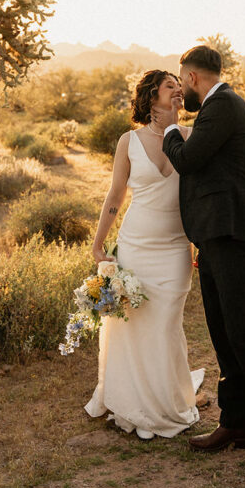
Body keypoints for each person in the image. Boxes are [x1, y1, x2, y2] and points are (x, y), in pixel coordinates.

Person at [151, 45, 245, 480]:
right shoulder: (216, 109)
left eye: (181, 82)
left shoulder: (224, 105)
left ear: (192, 78)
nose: (182, 95)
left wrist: (171, 128)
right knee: (223, 336)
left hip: (235, 236)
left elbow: (189, 160)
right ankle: (235, 424)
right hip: (214, 239)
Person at [84, 69, 204, 439]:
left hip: (174, 249)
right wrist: (98, 243)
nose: (179, 91)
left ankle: (165, 403)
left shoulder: (191, 136)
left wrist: (203, 242)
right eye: (171, 86)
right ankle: (131, 400)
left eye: (180, 86)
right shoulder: (129, 141)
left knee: (166, 325)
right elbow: (115, 196)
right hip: (136, 244)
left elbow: (201, 196)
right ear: (153, 96)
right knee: (132, 326)